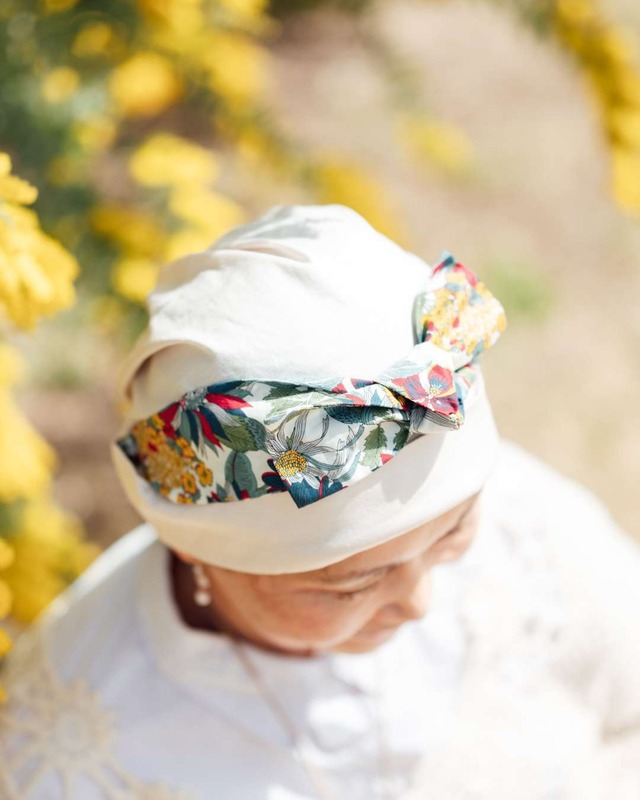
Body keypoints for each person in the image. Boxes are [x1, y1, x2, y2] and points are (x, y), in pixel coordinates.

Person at [1, 203, 639, 800]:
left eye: (452, 534)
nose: (420, 601)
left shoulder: (532, 528)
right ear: (199, 547)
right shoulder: (77, 750)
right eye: (352, 585)